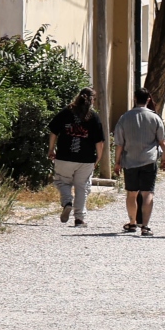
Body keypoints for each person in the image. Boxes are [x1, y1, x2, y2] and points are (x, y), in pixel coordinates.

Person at [112, 87, 165, 237]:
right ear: (148, 100)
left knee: (131, 193)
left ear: (135, 99)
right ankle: (145, 226)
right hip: (149, 159)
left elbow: (119, 144)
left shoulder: (124, 118)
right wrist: (164, 158)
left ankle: (132, 222)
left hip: (130, 160)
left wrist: (117, 162)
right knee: (147, 193)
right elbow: (162, 141)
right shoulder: (155, 118)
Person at [46, 87, 105, 228]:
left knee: (62, 182)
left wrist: (51, 149)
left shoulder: (66, 112)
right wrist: (98, 158)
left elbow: (53, 131)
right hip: (86, 159)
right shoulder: (93, 117)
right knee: (82, 187)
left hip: (64, 156)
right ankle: (79, 219)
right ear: (92, 100)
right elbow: (99, 142)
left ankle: (67, 202)